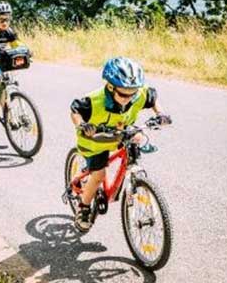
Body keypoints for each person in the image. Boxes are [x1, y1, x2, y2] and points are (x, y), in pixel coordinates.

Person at [69, 57, 172, 232]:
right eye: (123, 94)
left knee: (138, 136)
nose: (128, 98)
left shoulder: (136, 94)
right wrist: (82, 125)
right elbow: (75, 110)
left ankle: (132, 177)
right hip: (95, 142)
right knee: (99, 175)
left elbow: (152, 97)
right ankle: (84, 208)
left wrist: (161, 113)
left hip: (119, 134)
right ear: (110, 87)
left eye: (132, 93)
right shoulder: (94, 101)